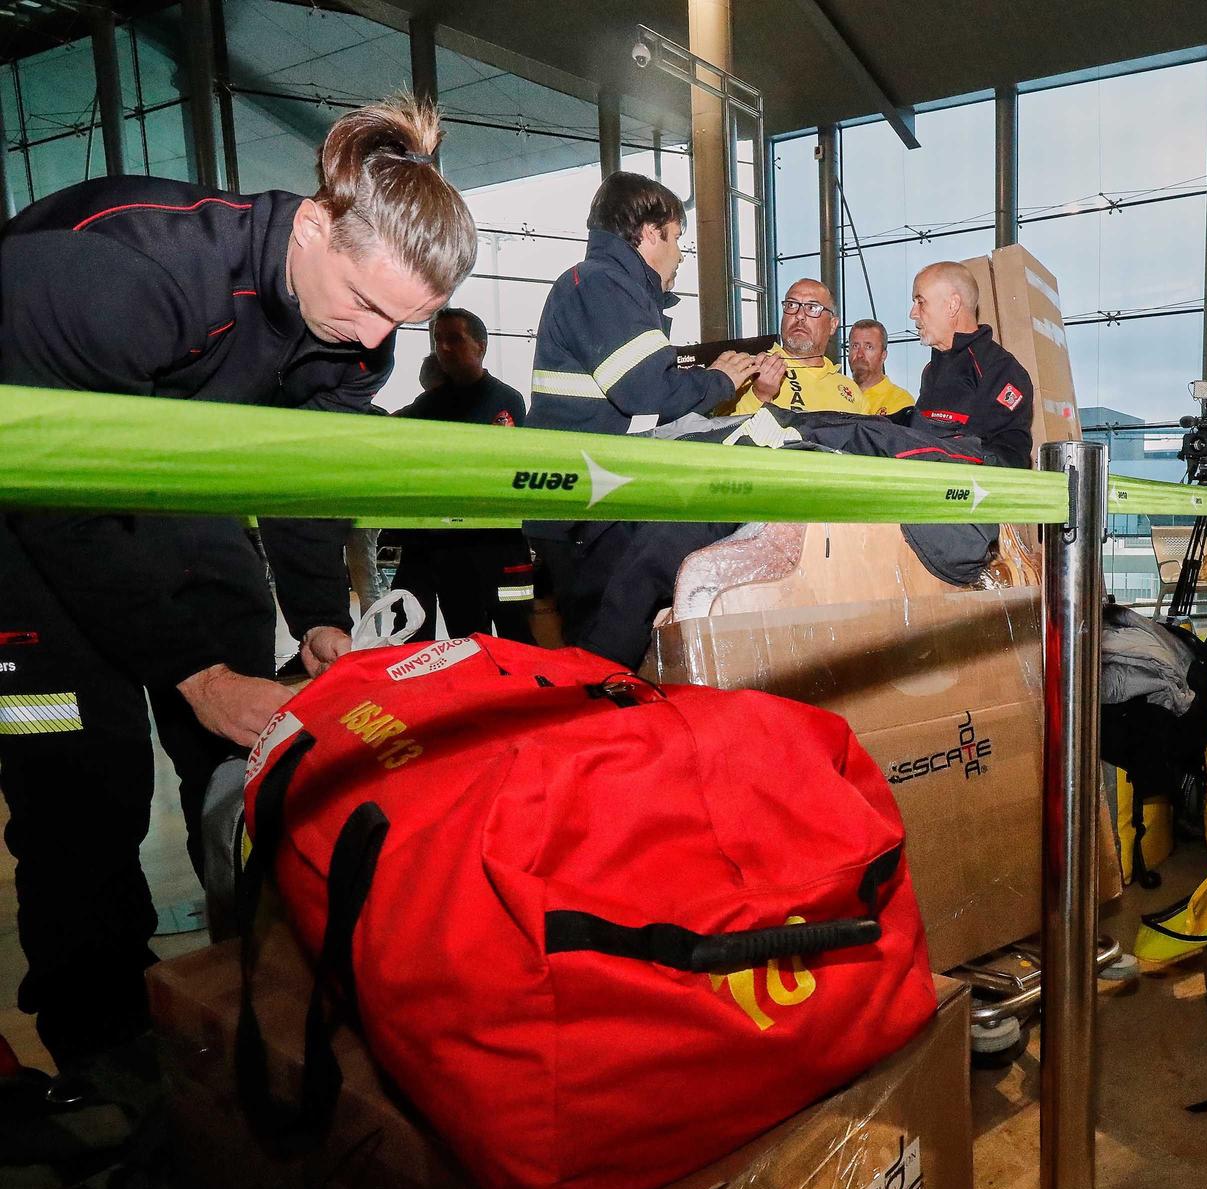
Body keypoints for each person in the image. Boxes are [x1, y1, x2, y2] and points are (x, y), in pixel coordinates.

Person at [0, 95, 477, 1069]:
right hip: (26, 488)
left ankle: (238, 988)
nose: (377, 342)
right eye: (368, 304)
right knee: (83, 768)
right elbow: (66, 505)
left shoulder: (354, 328)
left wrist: (315, 619)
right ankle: (102, 1045)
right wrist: (192, 672)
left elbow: (303, 474)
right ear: (312, 225)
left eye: (405, 321)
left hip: (165, 470)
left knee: (251, 740)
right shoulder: (130, 278)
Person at [522, 172, 773, 667]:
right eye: (677, 238)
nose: (680, 253)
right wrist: (719, 380)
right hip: (585, 511)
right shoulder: (599, 284)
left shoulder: (605, 288)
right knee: (604, 654)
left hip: (591, 506)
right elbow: (647, 389)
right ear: (650, 232)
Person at [391, 307, 535, 642]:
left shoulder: (505, 400)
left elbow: (504, 469)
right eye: (438, 340)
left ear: (481, 346)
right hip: (451, 554)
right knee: (467, 641)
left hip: (499, 547)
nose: (444, 348)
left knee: (518, 637)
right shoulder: (427, 406)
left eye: (454, 339)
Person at [909, 261, 1034, 468]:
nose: (913, 313)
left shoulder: (1001, 370)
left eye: (920, 302)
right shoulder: (931, 371)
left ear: (952, 305)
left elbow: (1010, 458)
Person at [725, 278, 865, 414]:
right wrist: (759, 395)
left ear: (833, 325)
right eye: (791, 305)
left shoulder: (852, 392)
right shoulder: (748, 369)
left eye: (812, 308)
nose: (799, 315)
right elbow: (719, 434)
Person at [847, 318, 914, 416]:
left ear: (883, 355)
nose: (860, 354)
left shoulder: (901, 402)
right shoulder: (838, 395)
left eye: (868, 347)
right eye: (855, 346)